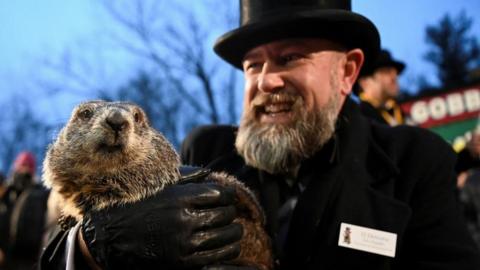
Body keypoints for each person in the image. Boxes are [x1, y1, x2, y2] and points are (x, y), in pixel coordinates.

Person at [41, 0, 480, 269]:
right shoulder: (204, 149)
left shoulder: (415, 162)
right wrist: (94, 247)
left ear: (346, 73)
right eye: (254, 65)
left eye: (290, 58)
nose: (266, 81)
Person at [0, 151, 50, 270]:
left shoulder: (41, 194)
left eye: (28, 166)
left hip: (29, 260)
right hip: (5, 255)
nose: (24, 170)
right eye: (22, 165)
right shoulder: (6, 191)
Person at [355, 49, 406, 126]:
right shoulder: (359, 118)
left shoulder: (399, 112)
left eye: (396, 73)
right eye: (386, 72)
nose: (394, 77)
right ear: (364, 82)